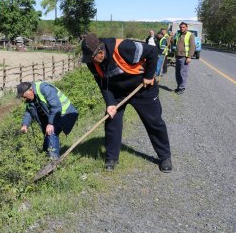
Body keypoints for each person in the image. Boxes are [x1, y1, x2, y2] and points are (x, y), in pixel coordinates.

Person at [80, 33, 172, 172]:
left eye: (93, 58)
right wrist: (110, 103)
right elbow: (102, 83)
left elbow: (152, 51)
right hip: (117, 93)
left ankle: (165, 157)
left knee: (154, 122)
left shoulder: (124, 48)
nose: (91, 62)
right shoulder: (91, 62)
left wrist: (148, 76)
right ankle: (111, 158)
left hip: (142, 88)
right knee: (112, 121)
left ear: (100, 51)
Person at [17, 81, 78, 159]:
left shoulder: (44, 88)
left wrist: (50, 123)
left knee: (51, 132)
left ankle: (54, 161)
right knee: (47, 142)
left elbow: (56, 107)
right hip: (55, 116)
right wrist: (25, 125)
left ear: (31, 90)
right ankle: (45, 158)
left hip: (66, 113)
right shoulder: (30, 99)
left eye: (24, 96)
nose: (24, 99)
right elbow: (29, 112)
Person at [173, 22, 196, 94]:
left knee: (183, 73)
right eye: (181, 27)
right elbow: (173, 43)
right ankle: (178, 86)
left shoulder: (190, 35)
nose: (182, 28)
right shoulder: (178, 34)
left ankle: (182, 88)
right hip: (178, 55)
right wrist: (171, 37)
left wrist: (189, 57)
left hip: (184, 56)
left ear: (186, 27)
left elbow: (192, 47)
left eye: (183, 27)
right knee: (177, 73)